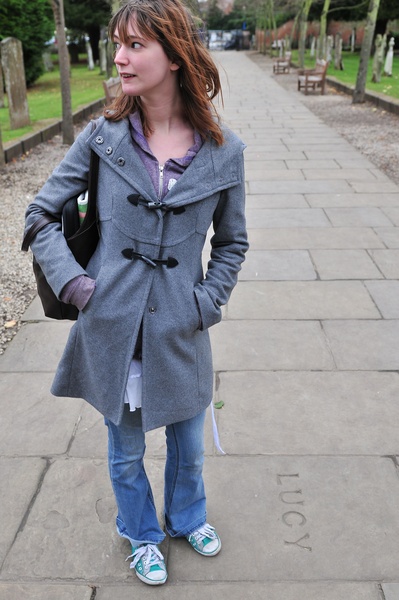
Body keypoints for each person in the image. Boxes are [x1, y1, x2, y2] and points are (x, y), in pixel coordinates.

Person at [25, 0, 248, 586]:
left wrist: (207, 301)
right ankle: (141, 531)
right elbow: (39, 214)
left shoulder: (226, 152)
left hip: (181, 323)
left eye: (134, 45)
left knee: (189, 445)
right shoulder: (102, 139)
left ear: (174, 56)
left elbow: (231, 243)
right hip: (111, 321)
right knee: (125, 451)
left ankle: (186, 516)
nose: (119, 57)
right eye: (118, 44)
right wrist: (76, 285)